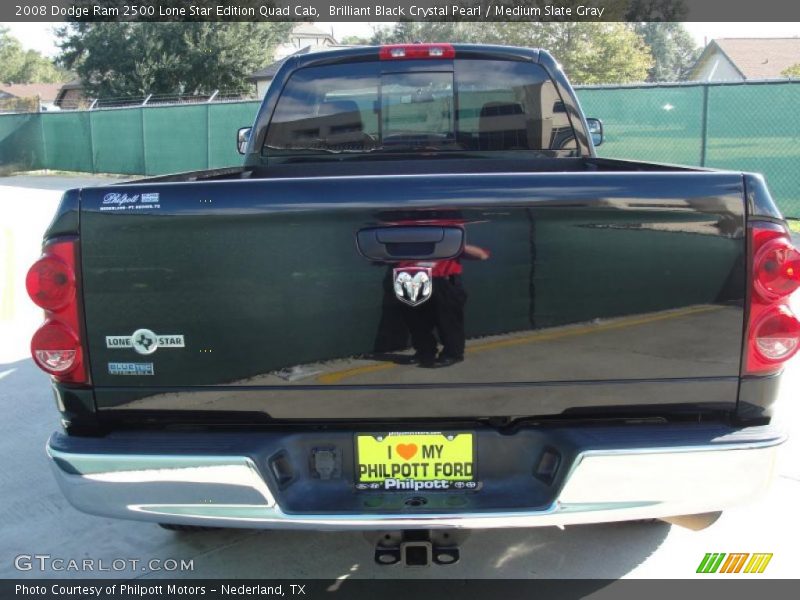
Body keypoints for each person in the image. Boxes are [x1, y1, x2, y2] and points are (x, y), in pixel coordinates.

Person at [399, 244, 490, 368]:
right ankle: (424, 352)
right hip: (412, 279)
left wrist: (455, 244)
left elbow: (482, 255)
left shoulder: (447, 235)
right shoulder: (407, 235)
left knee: (448, 321)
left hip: (444, 280)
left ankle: (453, 354)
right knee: (416, 321)